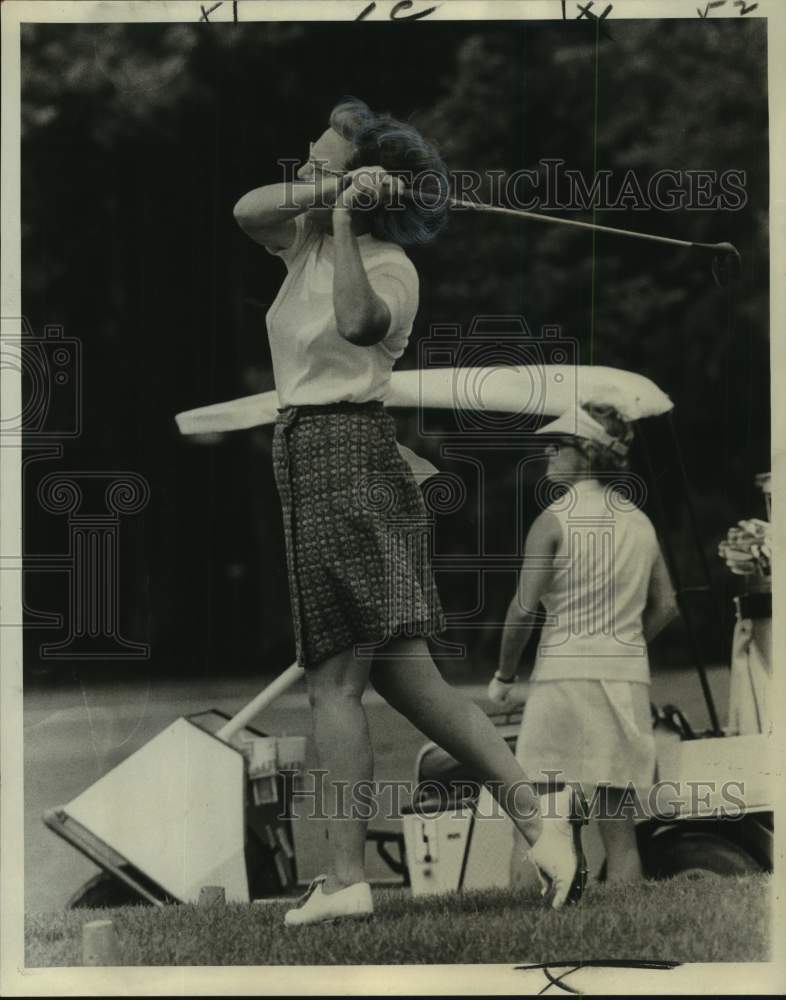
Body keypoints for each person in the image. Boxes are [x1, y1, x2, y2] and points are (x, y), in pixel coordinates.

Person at [234, 97, 586, 925]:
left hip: (346, 453)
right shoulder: (301, 240)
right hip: (313, 456)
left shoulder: (389, 264)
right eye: (308, 162)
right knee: (412, 681)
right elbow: (247, 208)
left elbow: (359, 327)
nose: (306, 175)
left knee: (334, 677)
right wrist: (329, 195)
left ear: (367, 188)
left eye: (323, 163)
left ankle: (347, 878)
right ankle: (543, 822)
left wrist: (352, 221)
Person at [489, 403, 678, 882]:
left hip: (562, 682)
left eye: (561, 445)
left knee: (533, 820)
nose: (548, 453)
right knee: (620, 831)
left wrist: (503, 676)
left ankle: (526, 933)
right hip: (625, 680)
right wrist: (627, 643)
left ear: (589, 452)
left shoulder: (553, 520)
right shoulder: (641, 522)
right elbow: (667, 605)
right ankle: (621, 934)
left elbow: (523, 609)